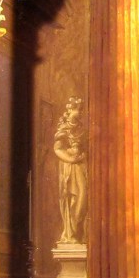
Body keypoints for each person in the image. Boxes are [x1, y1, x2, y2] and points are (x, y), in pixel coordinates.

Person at [53, 97, 88, 244]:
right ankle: (71, 233)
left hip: (81, 166)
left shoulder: (82, 129)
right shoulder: (63, 129)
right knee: (73, 197)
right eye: (78, 110)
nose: (80, 113)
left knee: (83, 197)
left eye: (81, 110)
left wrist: (82, 155)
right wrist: (70, 159)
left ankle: (78, 232)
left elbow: (85, 148)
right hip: (69, 168)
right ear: (70, 110)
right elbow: (57, 149)